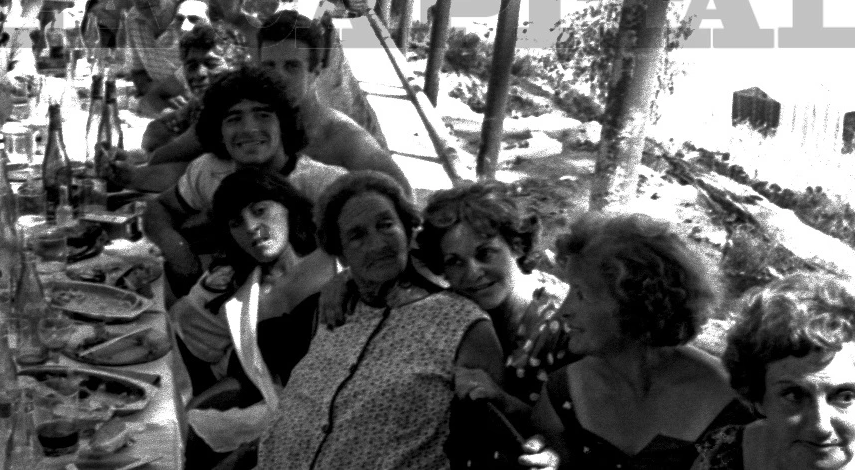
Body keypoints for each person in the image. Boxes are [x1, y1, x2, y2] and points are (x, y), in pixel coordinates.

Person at [258, 171, 523, 470]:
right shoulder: (330, 311)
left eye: (386, 225)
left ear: (408, 232)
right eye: (357, 236)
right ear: (340, 254)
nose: (377, 245)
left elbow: (489, 442)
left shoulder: (461, 324)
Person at [533, 212, 754, 469]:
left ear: (633, 301)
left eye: (581, 294)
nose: (563, 311)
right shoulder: (562, 395)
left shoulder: (731, 398)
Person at [149, 10, 410, 192]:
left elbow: (402, 194)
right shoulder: (239, 121)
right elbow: (163, 161)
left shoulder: (339, 138)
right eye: (270, 65)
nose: (279, 77)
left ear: (316, 70)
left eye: (292, 66)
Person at [144, 66, 345, 299]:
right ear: (219, 131)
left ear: (283, 123)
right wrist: (180, 254)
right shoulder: (210, 170)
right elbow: (159, 208)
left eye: (263, 115)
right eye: (234, 118)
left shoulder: (325, 184)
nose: (249, 129)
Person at [180, 168, 334, 463]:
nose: (251, 228)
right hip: (292, 416)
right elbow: (256, 377)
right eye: (237, 223)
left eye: (260, 210)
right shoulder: (243, 300)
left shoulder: (334, 260)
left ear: (287, 207)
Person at [693, 272, 855, 470]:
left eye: (845, 397)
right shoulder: (725, 452)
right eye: (794, 395)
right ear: (758, 399)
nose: (821, 427)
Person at [415, 182, 575, 410]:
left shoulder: (562, 322)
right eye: (455, 262)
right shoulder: (447, 316)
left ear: (517, 246)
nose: (472, 273)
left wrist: (503, 400)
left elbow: (570, 425)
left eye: (485, 253)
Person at [141, 23, 240, 153]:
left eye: (211, 63)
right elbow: (151, 136)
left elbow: (161, 156)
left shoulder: (241, 106)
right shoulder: (196, 106)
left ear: (234, 67)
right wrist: (172, 115)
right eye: (192, 66)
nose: (199, 73)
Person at [121, 0, 188, 117]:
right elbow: (138, 73)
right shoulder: (133, 19)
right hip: (163, 109)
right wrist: (157, 97)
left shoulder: (189, 21)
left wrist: (155, 97)